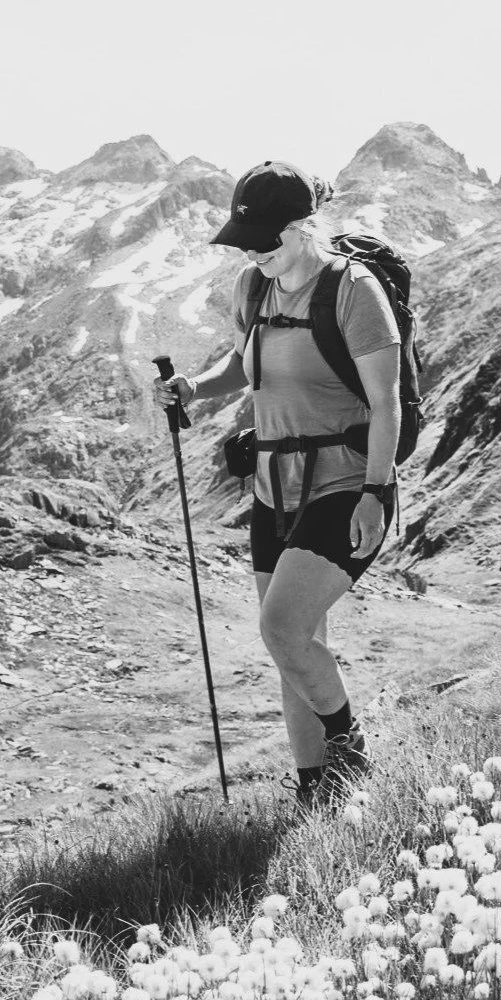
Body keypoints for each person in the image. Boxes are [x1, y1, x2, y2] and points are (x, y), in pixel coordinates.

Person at [153, 160, 401, 808]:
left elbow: (388, 402)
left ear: (299, 230)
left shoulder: (354, 291)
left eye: (260, 240)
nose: (249, 252)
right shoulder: (252, 288)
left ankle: (351, 748)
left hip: (346, 482)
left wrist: (375, 491)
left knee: (283, 628)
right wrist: (194, 388)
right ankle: (315, 789)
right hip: (273, 488)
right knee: (296, 645)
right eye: (242, 239)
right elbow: (245, 364)